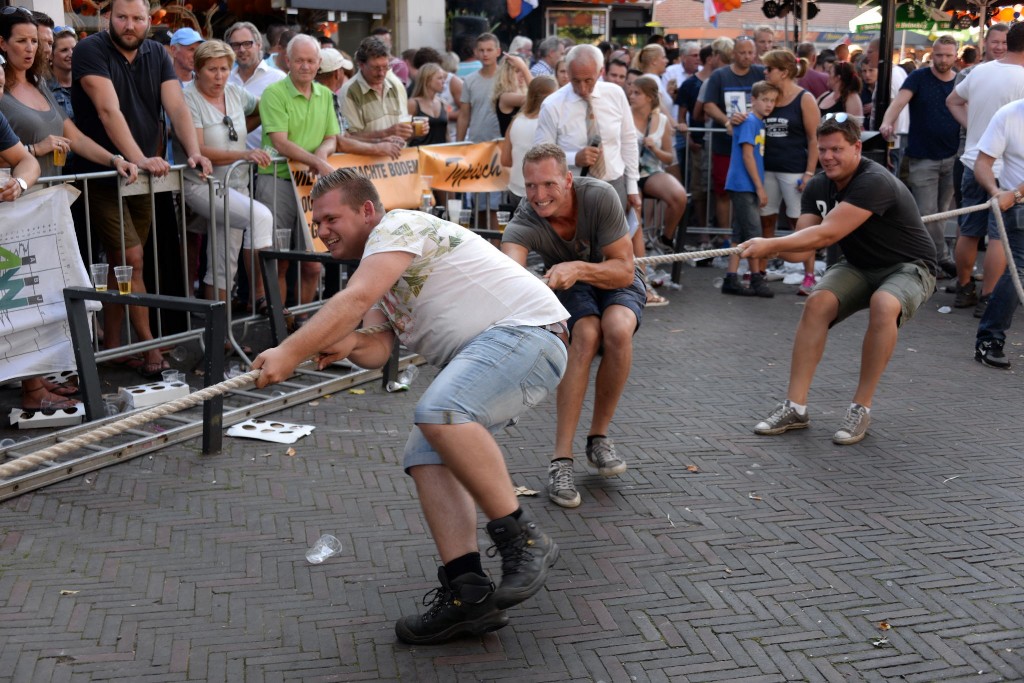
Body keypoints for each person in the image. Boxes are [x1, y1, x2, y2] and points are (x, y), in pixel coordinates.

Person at [253, 168, 567, 645]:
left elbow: (355, 298)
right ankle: (469, 597)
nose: (321, 232)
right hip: (498, 348)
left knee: (440, 411)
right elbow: (380, 348)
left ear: (367, 210)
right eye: (316, 223)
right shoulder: (381, 265)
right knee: (425, 454)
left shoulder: (398, 227)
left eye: (330, 218)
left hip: (527, 335)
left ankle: (523, 539)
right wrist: (352, 342)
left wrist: (288, 352)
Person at [742, 113, 936, 445]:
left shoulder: (873, 181)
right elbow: (803, 246)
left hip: (910, 266)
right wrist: (762, 250)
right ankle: (795, 407)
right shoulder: (818, 185)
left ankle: (861, 407)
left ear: (857, 147)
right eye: (823, 149)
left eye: (837, 149)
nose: (828, 157)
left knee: (884, 303)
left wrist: (770, 243)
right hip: (860, 265)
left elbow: (826, 235)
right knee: (817, 302)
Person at [71, 0, 211, 378]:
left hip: (143, 177)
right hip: (101, 173)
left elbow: (178, 108)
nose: (129, 25)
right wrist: (138, 158)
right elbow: (107, 110)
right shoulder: (90, 49)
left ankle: (116, 343)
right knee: (132, 259)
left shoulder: (157, 54)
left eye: (137, 18)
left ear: (149, 21)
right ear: (107, 19)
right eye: (122, 17)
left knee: (126, 263)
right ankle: (149, 343)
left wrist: (194, 152)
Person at [502, 143, 645, 508]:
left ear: (568, 179)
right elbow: (509, 272)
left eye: (548, 184)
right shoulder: (524, 219)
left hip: (613, 274)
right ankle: (560, 460)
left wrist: (578, 267)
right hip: (569, 284)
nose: (539, 195)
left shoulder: (599, 195)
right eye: (530, 186)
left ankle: (598, 438)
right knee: (585, 333)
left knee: (617, 328)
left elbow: (624, 269)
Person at [177, 39, 272, 305]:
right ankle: (262, 294)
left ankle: (221, 338)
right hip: (203, 186)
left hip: (236, 184)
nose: (219, 76)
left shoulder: (235, 93)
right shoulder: (187, 98)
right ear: (197, 69)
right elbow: (198, 148)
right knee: (261, 217)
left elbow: (262, 109)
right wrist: (243, 153)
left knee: (223, 263)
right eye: (212, 69)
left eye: (224, 69)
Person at [1, 8, 138, 183]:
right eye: (21, 41)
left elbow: (76, 138)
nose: (30, 48)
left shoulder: (40, 84)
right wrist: (35, 149)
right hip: (17, 202)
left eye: (35, 41)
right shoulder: (2, 92)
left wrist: (115, 160)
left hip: (53, 197)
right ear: (3, 43)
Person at [255, 33, 338, 316]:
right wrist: (318, 160)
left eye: (311, 60)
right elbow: (280, 142)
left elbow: (332, 137)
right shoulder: (274, 93)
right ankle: (280, 324)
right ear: (287, 61)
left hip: (310, 185)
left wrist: (322, 158)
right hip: (276, 180)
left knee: (313, 261)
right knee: (280, 260)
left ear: (319, 64)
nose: (305, 66)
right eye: (299, 60)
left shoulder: (325, 94)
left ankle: (303, 320)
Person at [945, 23, 1021, 316]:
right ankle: (989, 296)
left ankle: (964, 288)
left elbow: (952, 100)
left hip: (973, 160)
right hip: (1009, 169)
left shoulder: (980, 71)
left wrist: (975, 128)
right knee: (1000, 236)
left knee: (969, 230)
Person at [879, 35, 960, 278]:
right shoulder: (919, 77)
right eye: (939, 55)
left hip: (953, 155)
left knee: (942, 212)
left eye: (947, 55)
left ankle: (933, 260)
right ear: (932, 54)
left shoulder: (962, 80)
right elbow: (899, 102)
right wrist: (886, 122)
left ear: (955, 56)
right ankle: (941, 258)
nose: (943, 60)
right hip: (922, 156)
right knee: (927, 213)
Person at [535, 44, 640, 221]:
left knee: (612, 246)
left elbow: (628, 141)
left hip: (614, 183)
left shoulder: (615, 94)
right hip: (574, 187)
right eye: (576, 81)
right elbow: (541, 153)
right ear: (567, 72)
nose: (582, 88)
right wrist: (574, 158)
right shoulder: (553, 105)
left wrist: (632, 187)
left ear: (600, 72)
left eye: (588, 80)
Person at [760, 48, 820, 297]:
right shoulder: (768, 95)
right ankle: (760, 271)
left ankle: (809, 274)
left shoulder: (804, 98)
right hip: (768, 168)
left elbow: (815, 137)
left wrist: (809, 172)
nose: (765, 72)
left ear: (783, 72)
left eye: (769, 69)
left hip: (794, 169)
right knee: (767, 220)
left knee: (800, 224)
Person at [972, 97, 1024, 369]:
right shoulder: (1009, 114)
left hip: (1017, 199)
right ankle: (990, 339)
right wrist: (995, 192)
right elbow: (983, 162)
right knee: (1019, 271)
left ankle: (990, 338)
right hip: (1020, 210)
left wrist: (1014, 193)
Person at [700, 35, 764, 236]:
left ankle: (753, 240)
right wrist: (727, 122)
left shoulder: (760, 73)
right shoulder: (720, 76)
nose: (747, 57)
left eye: (750, 53)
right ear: (734, 54)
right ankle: (726, 238)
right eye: (743, 53)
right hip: (725, 146)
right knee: (723, 192)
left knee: (755, 192)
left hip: (756, 148)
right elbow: (708, 105)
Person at [722, 81, 778, 297]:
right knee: (754, 233)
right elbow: (747, 155)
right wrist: (759, 187)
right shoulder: (750, 122)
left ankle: (731, 277)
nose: (769, 105)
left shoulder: (756, 122)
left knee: (741, 232)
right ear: (753, 100)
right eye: (765, 100)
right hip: (743, 184)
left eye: (772, 100)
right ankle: (756, 279)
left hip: (743, 184)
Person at [628, 74, 686, 277]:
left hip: (651, 171)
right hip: (629, 173)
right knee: (635, 212)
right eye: (631, 92)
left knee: (679, 195)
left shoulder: (661, 120)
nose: (632, 96)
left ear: (650, 97)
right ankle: (640, 267)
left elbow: (669, 159)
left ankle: (665, 239)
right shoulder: (624, 116)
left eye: (637, 93)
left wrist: (655, 149)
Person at [339, 36, 414, 143]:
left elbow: (402, 130)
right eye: (375, 68)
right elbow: (348, 138)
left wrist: (414, 131)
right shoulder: (349, 91)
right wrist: (385, 133)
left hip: (399, 158)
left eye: (385, 67)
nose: (381, 73)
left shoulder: (395, 85)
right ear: (361, 65)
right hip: (367, 159)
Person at [225, 21, 285, 150]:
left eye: (247, 44)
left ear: (259, 45)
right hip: (231, 160)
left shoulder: (278, 79)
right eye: (235, 45)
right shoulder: (224, 79)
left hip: (267, 162)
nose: (241, 50)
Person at [500, 75, 557, 206]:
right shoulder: (549, 123)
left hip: (515, 189)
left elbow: (505, 160)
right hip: (540, 194)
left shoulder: (515, 120)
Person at [406, 62, 447, 146]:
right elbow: (404, 134)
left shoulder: (443, 103)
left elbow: (446, 134)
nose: (443, 82)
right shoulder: (413, 104)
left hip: (441, 154)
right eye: (440, 78)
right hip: (419, 154)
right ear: (427, 81)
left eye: (443, 78)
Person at [48, 26, 75, 121]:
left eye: (74, 49)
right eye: (64, 50)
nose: (71, 54)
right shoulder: (43, 88)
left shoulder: (86, 82)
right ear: (51, 55)